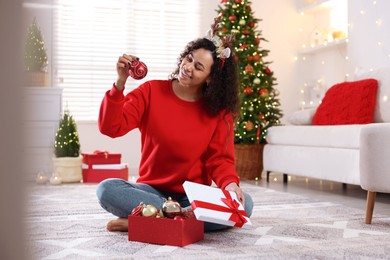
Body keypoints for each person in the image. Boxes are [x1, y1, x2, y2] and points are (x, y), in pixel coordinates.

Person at [96, 23, 254, 232]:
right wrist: (120, 82)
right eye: (189, 58)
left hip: (194, 194)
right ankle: (179, 220)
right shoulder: (151, 91)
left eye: (198, 67)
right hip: (150, 191)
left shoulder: (219, 112)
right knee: (107, 189)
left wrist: (230, 185)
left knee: (246, 204)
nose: (188, 67)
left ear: (210, 79)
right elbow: (111, 127)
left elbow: (220, 160)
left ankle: (146, 220)